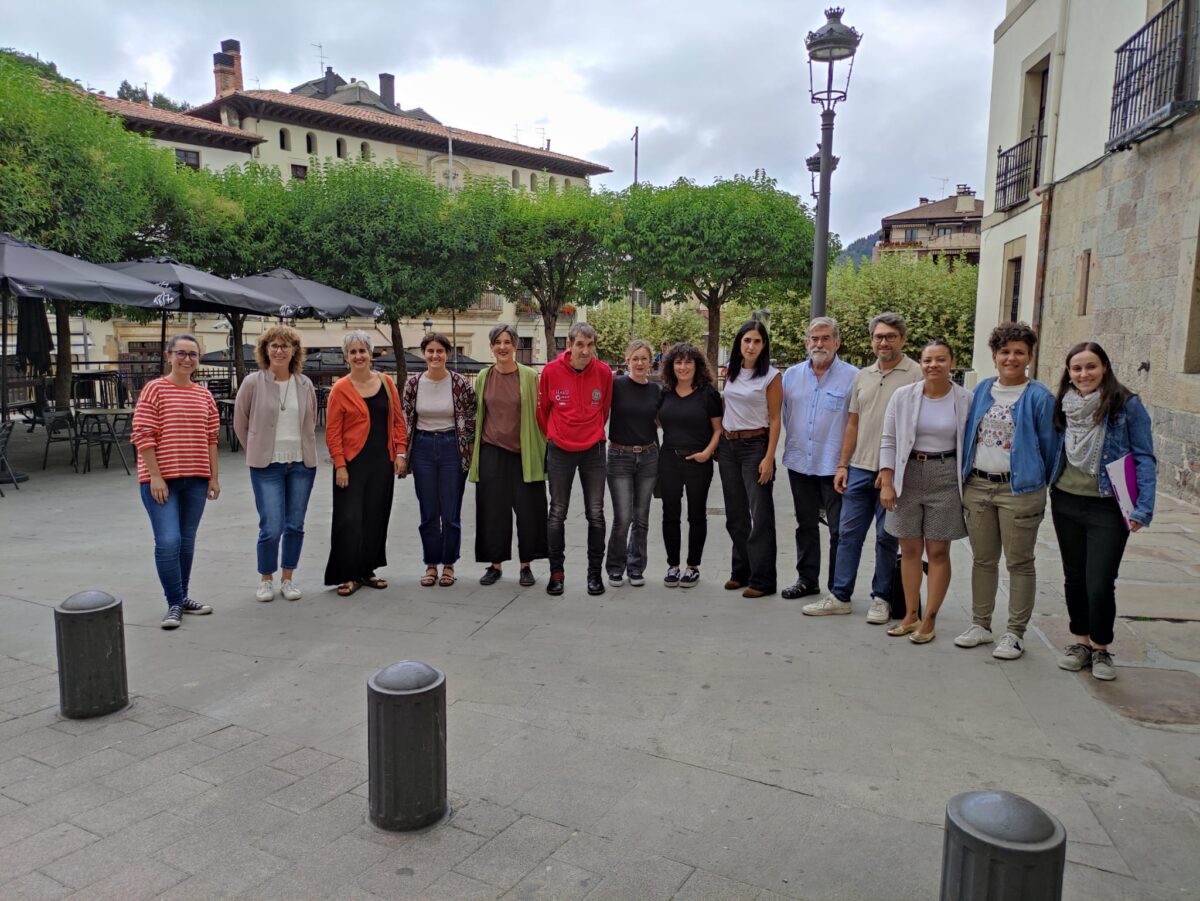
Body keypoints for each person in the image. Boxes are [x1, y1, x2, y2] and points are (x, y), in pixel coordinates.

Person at [803, 312, 922, 621]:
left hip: (893, 474)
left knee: (886, 537)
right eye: (878, 336)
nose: (884, 342)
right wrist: (843, 465)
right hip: (858, 469)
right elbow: (853, 423)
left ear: (902, 339)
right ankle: (840, 596)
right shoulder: (863, 376)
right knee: (847, 535)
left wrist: (893, 471)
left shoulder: (916, 375)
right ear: (872, 340)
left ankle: (881, 598)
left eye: (890, 336)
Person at [1051, 342, 1156, 681]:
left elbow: (1144, 456)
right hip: (1065, 501)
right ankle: (1081, 643)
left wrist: (1143, 507)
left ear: (1105, 367)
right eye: (1077, 368)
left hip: (1108, 505)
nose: (1084, 374)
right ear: (1069, 372)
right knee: (1074, 577)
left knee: (1099, 582)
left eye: (1091, 366)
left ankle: (1101, 648)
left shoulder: (1126, 404)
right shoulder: (1063, 404)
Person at [956, 322, 1059, 660]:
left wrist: (1035, 482)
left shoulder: (1040, 397)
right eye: (1005, 352)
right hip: (979, 486)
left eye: (1019, 352)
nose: (1011, 358)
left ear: (1029, 357)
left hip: (1019, 491)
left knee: (1019, 562)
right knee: (983, 560)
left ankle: (1014, 633)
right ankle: (980, 625)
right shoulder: (983, 390)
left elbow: (1050, 447)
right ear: (994, 356)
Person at [878, 341, 973, 643]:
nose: (934, 365)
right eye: (928, 360)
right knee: (908, 550)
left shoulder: (965, 399)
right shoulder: (903, 396)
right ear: (920, 363)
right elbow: (889, 438)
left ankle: (929, 618)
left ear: (951, 362)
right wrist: (887, 480)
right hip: (908, 473)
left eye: (940, 359)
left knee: (938, 551)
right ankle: (910, 615)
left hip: (946, 474)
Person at [131, 333, 220, 630]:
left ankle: (182, 597)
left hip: (196, 479)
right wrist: (155, 476)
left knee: (186, 541)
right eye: (180, 353)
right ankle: (174, 603)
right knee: (168, 541)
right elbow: (143, 434)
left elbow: (211, 439)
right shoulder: (154, 389)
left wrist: (213, 477)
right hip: (161, 480)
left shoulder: (204, 395)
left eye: (192, 354)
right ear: (168, 356)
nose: (186, 359)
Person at [234, 326, 318, 603]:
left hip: (301, 464)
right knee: (271, 526)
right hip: (266, 466)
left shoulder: (304, 384)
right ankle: (266, 579)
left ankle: (288, 578)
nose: (280, 351)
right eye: (274, 345)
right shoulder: (252, 383)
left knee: (295, 524)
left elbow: (310, 421)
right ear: (265, 350)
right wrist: (256, 449)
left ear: (294, 351)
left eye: (285, 346)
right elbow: (240, 422)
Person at [323, 331, 407, 596]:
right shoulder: (340, 388)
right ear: (346, 357)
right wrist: (339, 464)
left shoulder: (386, 383)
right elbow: (332, 431)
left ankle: (367, 570)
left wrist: (401, 453)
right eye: (353, 352)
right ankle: (347, 574)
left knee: (375, 516)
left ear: (371, 354)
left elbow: (398, 421)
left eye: (362, 351)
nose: (358, 356)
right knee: (348, 519)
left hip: (382, 461)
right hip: (352, 464)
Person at [780, 316, 858, 600]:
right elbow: (785, 416)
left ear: (837, 343)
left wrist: (845, 463)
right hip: (800, 462)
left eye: (826, 339)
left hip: (835, 466)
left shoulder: (853, 377)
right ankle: (807, 580)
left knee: (839, 530)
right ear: (806, 343)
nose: (819, 344)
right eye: (814, 339)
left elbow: (855, 422)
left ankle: (838, 588)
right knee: (806, 526)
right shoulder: (791, 376)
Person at [537, 322, 614, 596]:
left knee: (596, 512)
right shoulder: (550, 371)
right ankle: (556, 574)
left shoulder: (604, 372)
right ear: (569, 345)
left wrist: (591, 433)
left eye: (590, 345)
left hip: (594, 449)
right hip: (560, 449)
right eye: (580, 344)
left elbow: (604, 409)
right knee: (557, 511)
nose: (585, 350)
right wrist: (556, 435)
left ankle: (594, 574)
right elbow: (543, 411)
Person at [471, 324, 548, 587]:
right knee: (493, 511)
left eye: (507, 342)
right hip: (492, 450)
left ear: (515, 346)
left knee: (529, 511)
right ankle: (495, 564)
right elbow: (478, 414)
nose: (502, 347)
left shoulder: (529, 376)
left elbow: (541, 412)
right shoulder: (483, 377)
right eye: (497, 342)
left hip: (523, 452)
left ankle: (526, 565)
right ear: (491, 346)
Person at [401, 333, 476, 588]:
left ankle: (449, 564)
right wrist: (403, 454)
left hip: (452, 446)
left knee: (450, 511)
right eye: (430, 351)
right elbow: (406, 418)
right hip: (422, 448)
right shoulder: (413, 383)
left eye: (440, 351)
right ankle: (431, 563)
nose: (435, 355)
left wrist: (469, 451)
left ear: (448, 354)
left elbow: (471, 417)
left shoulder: (460, 383)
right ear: (424, 354)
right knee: (429, 511)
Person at [719, 319, 782, 598]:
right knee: (736, 514)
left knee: (761, 515)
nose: (751, 346)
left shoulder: (771, 376)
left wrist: (769, 457)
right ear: (739, 343)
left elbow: (776, 418)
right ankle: (740, 572)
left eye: (757, 341)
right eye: (747, 340)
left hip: (756, 446)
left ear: (764, 345)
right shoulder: (731, 372)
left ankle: (763, 580)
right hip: (729, 447)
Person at [658, 342, 722, 587]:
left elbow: (718, 429)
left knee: (696, 514)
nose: (683, 367)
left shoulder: (708, 394)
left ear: (697, 366)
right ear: (671, 366)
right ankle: (673, 565)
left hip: (698, 461)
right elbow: (657, 421)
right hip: (669, 460)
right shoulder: (664, 393)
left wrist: (707, 453)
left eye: (688, 362)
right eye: (678, 362)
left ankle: (692, 566)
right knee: (670, 513)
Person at [606, 339, 662, 587]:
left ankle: (636, 567)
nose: (640, 363)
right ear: (627, 361)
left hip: (648, 456)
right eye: (635, 358)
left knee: (641, 517)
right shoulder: (616, 385)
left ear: (650, 362)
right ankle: (615, 567)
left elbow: (662, 420)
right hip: (620, 456)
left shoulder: (656, 390)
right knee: (623, 516)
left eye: (644, 359)